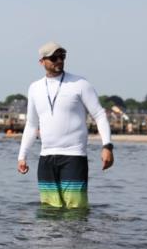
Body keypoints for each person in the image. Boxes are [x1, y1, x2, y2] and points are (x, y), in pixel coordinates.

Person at [17, 42, 114, 209]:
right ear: (42, 62)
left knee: (75, 211)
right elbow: (32, 124)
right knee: (48, 212)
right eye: (54, 58)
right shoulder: (35, 88)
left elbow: (99, 115)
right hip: (46, 158)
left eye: (62, 57)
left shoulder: (80, 84)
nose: (59, 61)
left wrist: (107, 146)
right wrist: (22, 156)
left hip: (74, 156)